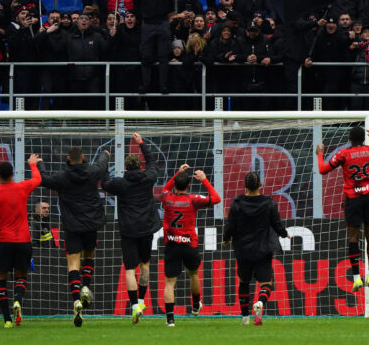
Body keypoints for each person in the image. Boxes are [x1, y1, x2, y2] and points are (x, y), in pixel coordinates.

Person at [316, 127, 369, 291]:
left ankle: (356, 278)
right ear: (364, 139)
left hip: (353, 200)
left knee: (353, 237)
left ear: (349, 138)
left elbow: (322, 170)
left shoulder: (343, 154)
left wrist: (319, 153)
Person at [39, 147, 110, 327]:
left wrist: (38, 163)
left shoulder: (62, 176)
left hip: (71, 226)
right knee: (89, 256)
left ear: (68, 158)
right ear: (83, 157)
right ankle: (86, 286)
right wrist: (105, 154)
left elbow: (45, 179)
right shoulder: (92, 171)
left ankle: (77, 299)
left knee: (73, 265)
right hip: (91, 224)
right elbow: (102, 165)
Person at [102, 133, 163, 324]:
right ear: (140, 166)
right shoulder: (148, 178)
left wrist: (105, 161)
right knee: (145, 264)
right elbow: (153, 161)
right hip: (146, 229)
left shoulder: (121, 183)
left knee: (129, 268)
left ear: (126, 167)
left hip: (128, 230)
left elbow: (104, 183)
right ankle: (143, 300)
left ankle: (134, 304)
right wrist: (142, 143)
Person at [0, 155, 42, 328]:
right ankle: (17, 300)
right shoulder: (23, 187)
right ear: (13, 174)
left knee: (0, 279)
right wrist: (32, 164)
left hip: (4, 242)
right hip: (23, 241)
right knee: (21, 276)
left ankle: (7, 319)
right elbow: (37, 179)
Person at [222, 171, 288, 326]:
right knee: (266, 284)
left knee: (244, 282)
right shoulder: (268, 202)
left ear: (244, 185)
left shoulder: (237, 203)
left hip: (243, 249)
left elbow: (230, 225)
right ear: (260, 185)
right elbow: (276, 223)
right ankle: (260, 302)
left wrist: (226, 239)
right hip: (263, 249)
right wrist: (284, 234)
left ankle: (245, 318)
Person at [160, 164, 221, 327]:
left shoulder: (166, 197)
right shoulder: (193, 199)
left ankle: (170, 320)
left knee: (169, 283)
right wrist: (205, 180)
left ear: (175, 185)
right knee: (193, 274)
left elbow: (165, 188)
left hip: (172, 245)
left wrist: (178, 173)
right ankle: (195, 305)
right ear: (188, 185)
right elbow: (216, 199)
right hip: (189, 245)